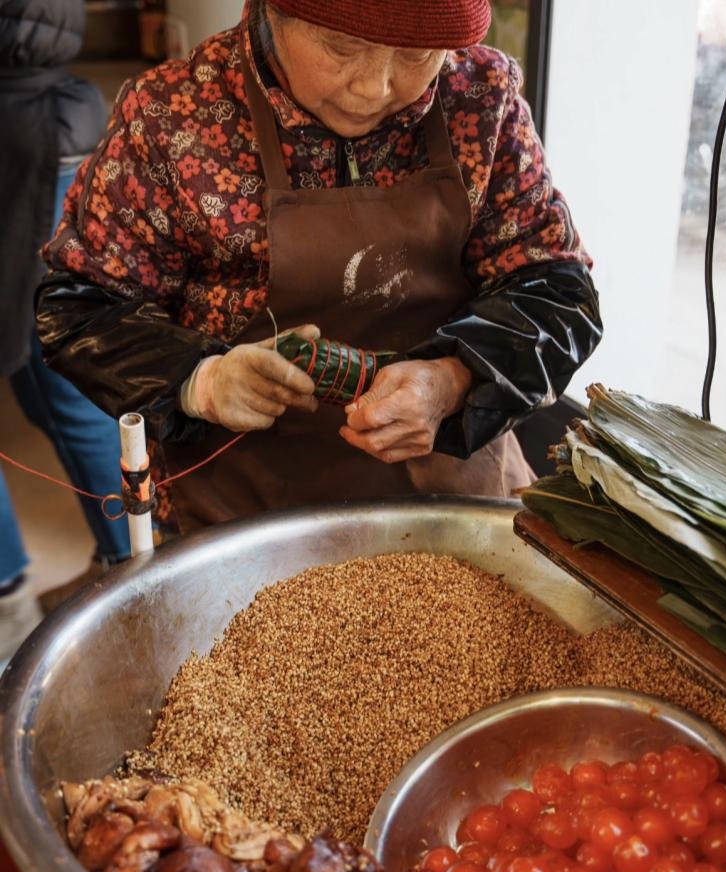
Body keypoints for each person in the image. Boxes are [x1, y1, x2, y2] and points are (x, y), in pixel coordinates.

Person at [36, 0, 602, 533]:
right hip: (241, 512)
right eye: (340, 47)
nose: (374, 87)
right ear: (274, 12)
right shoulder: (170, 116)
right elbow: (82, 308)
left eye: (415, 55)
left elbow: (556, 289)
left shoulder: (480, 95)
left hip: (450, 494)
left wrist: (455, 381)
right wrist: (201, 382)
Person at [0, 0, 131, 662]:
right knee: (52, 379)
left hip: (22, 116)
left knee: (62, 374)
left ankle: (12, 615)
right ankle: (121, 571)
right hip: (50, 110)